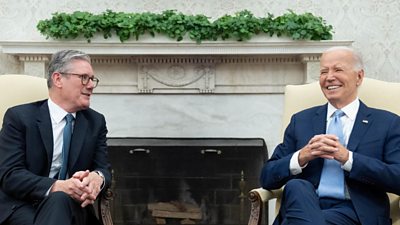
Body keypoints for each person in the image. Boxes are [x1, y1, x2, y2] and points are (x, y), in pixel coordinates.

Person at [260, 46, 400, 225]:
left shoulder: (387, 123)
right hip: (304, 204)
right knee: (297, 186)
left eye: (338, 69)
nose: (329, 77)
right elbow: (267, 177)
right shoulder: (301, 120)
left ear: (359, 76)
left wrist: (348, 159)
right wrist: (301, 157)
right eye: (323, 71)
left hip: (356, 213)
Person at [0, 50, 111, 225]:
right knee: (58, 200)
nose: (90, 85)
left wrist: (97, 178)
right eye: (83, 77)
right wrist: (58, 186)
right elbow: (10, 175)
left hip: (73, 207)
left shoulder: (95, 122)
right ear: (58, 79)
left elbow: (103, 168)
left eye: (92, 79)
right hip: (23, 205)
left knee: (60, 200)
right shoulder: (19, 118)